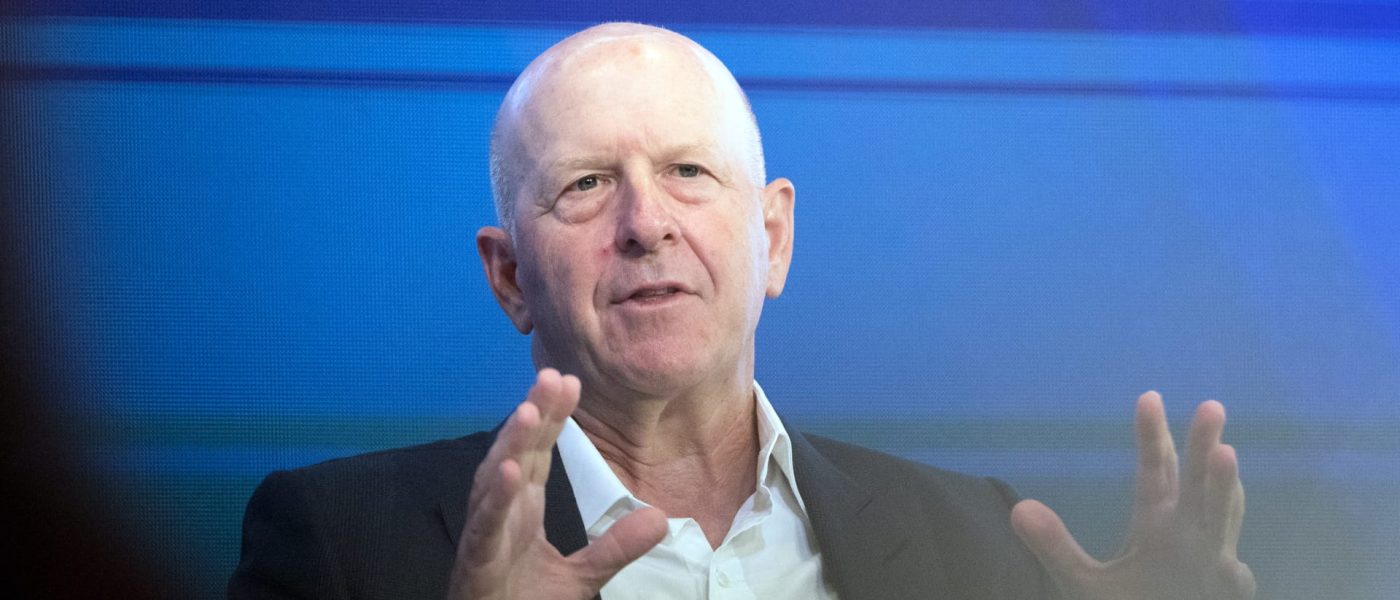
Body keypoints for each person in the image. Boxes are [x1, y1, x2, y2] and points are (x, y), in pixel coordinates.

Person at [229, 22, 1254, 600]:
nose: (645, 223)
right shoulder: (336, 543)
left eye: (688, 171)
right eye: (585, 184)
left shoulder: (975, 542)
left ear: (774, 238)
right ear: (508, 278)